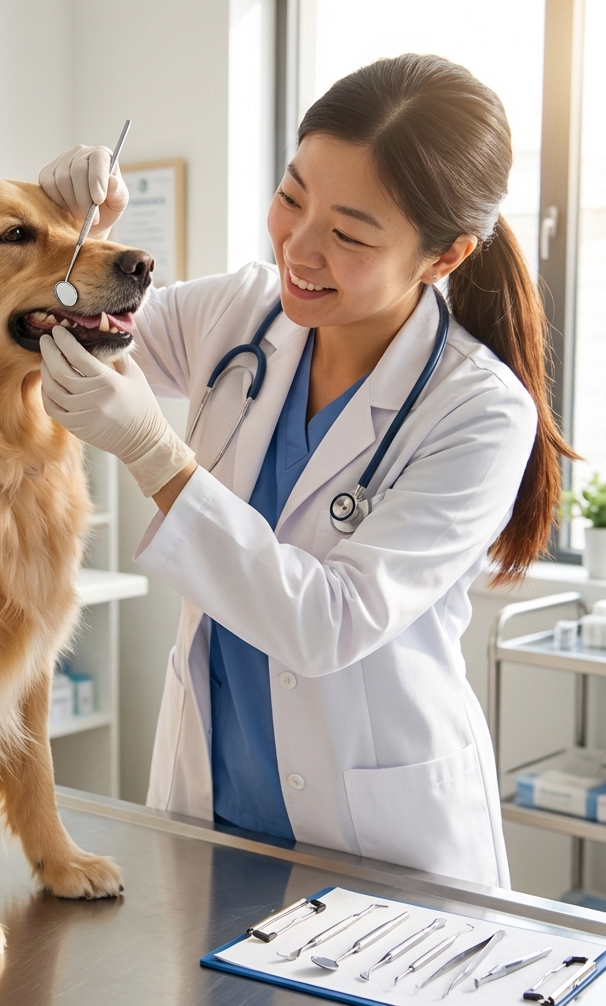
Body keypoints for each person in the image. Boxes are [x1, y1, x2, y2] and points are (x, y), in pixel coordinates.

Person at [37, 54, 573, 888]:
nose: (299, 246)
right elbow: (75, 320)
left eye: (351, 234)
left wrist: (155, 455)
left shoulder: (478, 412)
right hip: (213, 817)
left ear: (443, 256)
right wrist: (76, 232)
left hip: (381, 843)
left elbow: (326, 623)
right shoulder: (241, 313)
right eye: (292, 198)